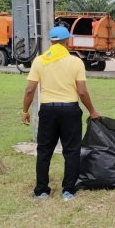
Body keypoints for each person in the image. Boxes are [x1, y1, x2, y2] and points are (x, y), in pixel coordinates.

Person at [21, 26, 100, 200]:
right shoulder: (76, 62)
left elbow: (29, 90)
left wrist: (25, 111)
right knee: (71, 150)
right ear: (66, 41)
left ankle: (41, 190)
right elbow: (82, 92)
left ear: (51, 41)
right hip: (70, 110)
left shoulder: (39, 61)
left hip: (47, 110)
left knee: (44, 150)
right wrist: (92, 111)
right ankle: (68, 190)